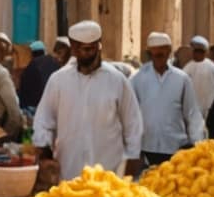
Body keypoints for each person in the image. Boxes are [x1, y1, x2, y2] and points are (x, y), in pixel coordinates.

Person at [35, 20, 143, 180]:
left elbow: (133, 123)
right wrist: (44, 150)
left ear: (99, 46)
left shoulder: (117, 80)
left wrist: (133, 156)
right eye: (81, 50)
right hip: (69, 171)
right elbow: (44, 120)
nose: (86, 54)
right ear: (73, 48)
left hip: (108, 173)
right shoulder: (58, 81)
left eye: (91, 49)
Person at [133, 32, 205, 165]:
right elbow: (130, 116)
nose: (159, 53)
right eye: (155, 50)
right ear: (149, 52)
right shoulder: (137, 79)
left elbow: (192, 113)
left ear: (169, 51)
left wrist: (197, 145)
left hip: (176, 148)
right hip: (147, 148)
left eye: (163, 49)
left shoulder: (182, 79)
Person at [184, 35, 214, 114]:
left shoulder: (212, 67)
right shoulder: (188, 67)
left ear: (205, 52)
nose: (197, 54)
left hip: (209, 109)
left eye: (200, 51)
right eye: (196, 51)